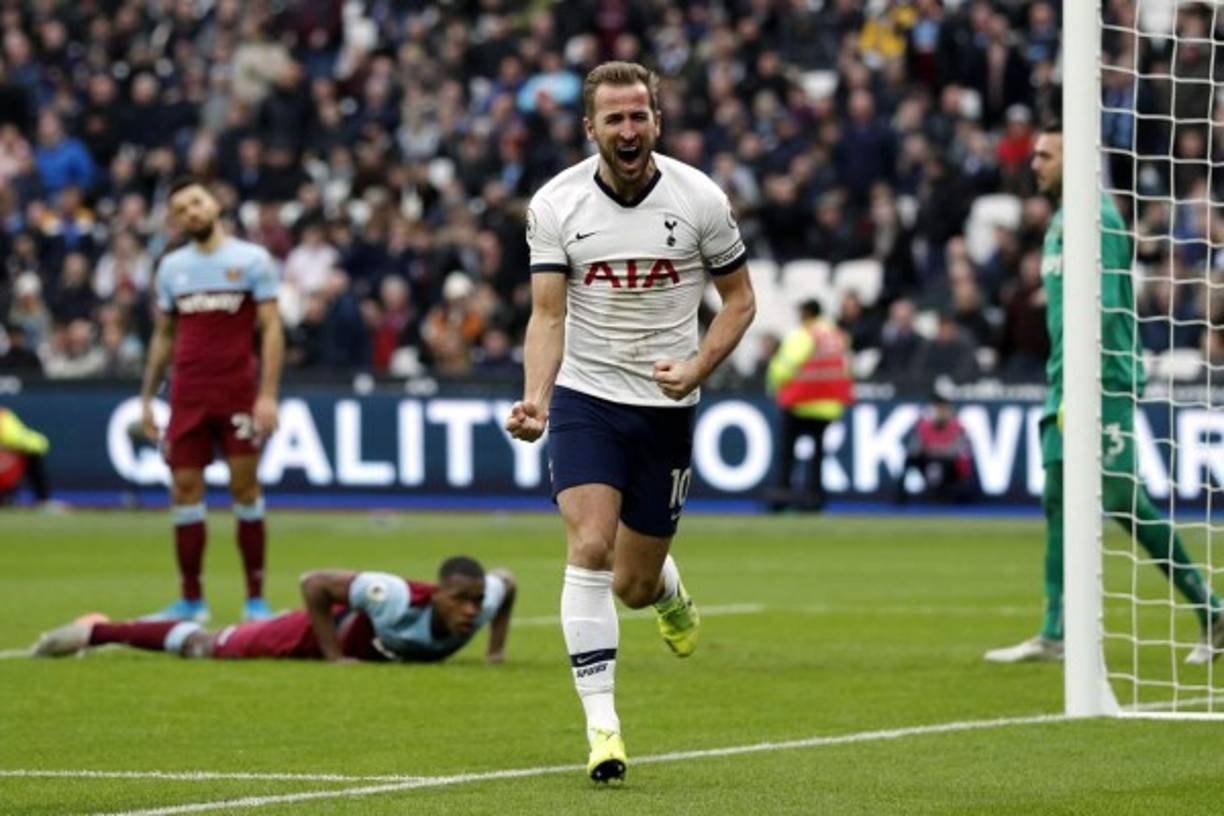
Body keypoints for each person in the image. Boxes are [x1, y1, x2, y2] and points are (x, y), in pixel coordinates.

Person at [505, 61, 756, 782]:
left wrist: (699, 369)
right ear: (590, 128)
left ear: (657, 120)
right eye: (613, 118)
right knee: (588, 545)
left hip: (667, 405)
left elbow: (739, 302)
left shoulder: (699, 197)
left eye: (638, 115)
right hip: (587, 399)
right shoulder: (556, 204)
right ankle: (603, 729)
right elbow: (547, 314)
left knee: (632, 584)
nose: (628, 129)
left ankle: (669, 592)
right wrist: (538, 399)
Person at [985, 121, 1223, 665]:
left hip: (1101, 381)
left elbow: (1115, 308)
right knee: (1057, 502)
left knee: (1122, 501)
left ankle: (1212, 611)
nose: (1035, 163)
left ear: (1076, 160)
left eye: (1046, 155)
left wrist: (1111, 378)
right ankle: (1054, 630)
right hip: (1061, 383)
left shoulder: (1100, 219)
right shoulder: (1061, 224)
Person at [139, 176, 285, 624]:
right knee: (184, 491)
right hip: (188, 395)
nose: (191, 213)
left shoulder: (252, 260)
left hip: (237, 392)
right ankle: (190, 600)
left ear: (216, 204)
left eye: (197, 203)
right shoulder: (171, 268)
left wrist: (268, 395)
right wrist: (147, 397)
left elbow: (272, 329)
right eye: (181, 209)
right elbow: (164, 336)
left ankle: (256, 601)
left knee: (245, 488)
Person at [33, 556, 516, 665]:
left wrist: (495, 651)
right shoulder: (389, 595)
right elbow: (314, 583)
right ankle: (100, 631)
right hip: (310, 632)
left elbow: (507, 581)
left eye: (477, 600)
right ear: (435, 594)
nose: (472, 610)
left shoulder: (487, 597)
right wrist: (333, 656)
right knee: (206, 647)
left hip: (350, 641)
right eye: (461, 600)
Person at [765, 299, 853, 512]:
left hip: (800, 403)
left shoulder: (803, 335)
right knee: (818, 456)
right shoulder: (837, 336)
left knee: (788, 453)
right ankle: (814, 499)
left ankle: (782, 498)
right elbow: (846, 368)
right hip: (827, 406)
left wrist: (772, 386)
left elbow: (785, 367)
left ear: (806, 313)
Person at [893, 392, 974, 504]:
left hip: (949, 465)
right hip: (929, 460)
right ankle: (901, 496)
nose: (940, 412)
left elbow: (956, 450)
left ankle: (949, 496)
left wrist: (934, 450)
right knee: (909, 459)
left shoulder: (958, 427)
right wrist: (932, 451)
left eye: (943, 409)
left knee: (951, 464)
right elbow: (915, 448)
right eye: (938, 409)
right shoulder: (924, 426)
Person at [0, 406, 56, 507]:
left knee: (32, 454)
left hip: (6, 473)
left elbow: (17, 439)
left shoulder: (3, 415)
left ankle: (43, 501)